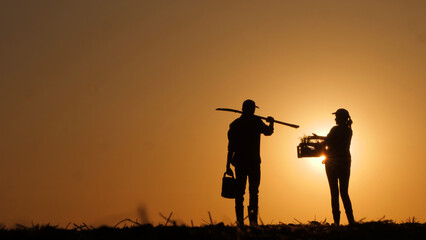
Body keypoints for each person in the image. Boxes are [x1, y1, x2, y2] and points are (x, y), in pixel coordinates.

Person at [225, 99, 274, 226]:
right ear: (251, 109)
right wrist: (271, 123)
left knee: (240, 193)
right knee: (253, 192)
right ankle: (252, 222)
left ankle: (240, 222)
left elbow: (231, 148)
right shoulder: (256, 122)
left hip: (240, 163)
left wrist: (227, 165)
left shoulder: (235, 124)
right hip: (253, 163)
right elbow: (268, 132)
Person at [323, 108, 355, 225]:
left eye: (336, 116)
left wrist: (322, 140)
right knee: (344, 192)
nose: (335, 118)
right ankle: (351, 220)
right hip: (345, 163)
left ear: (340, 118)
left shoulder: (335, 130)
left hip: (332, 163)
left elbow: (328, 142)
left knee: (334, 193)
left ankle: (336, 222)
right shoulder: (349, 131)